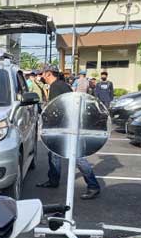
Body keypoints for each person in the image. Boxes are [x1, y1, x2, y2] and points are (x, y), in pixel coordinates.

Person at [36, 65, 101, 200]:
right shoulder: (61, 85)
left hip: (67, 127)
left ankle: (93, 186)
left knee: (77, 157)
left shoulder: (56, 87)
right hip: (65, 126)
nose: (40, 76)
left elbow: (57, 109)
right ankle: (53, 180)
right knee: (53, 153)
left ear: (48, 74)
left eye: (42, 74)